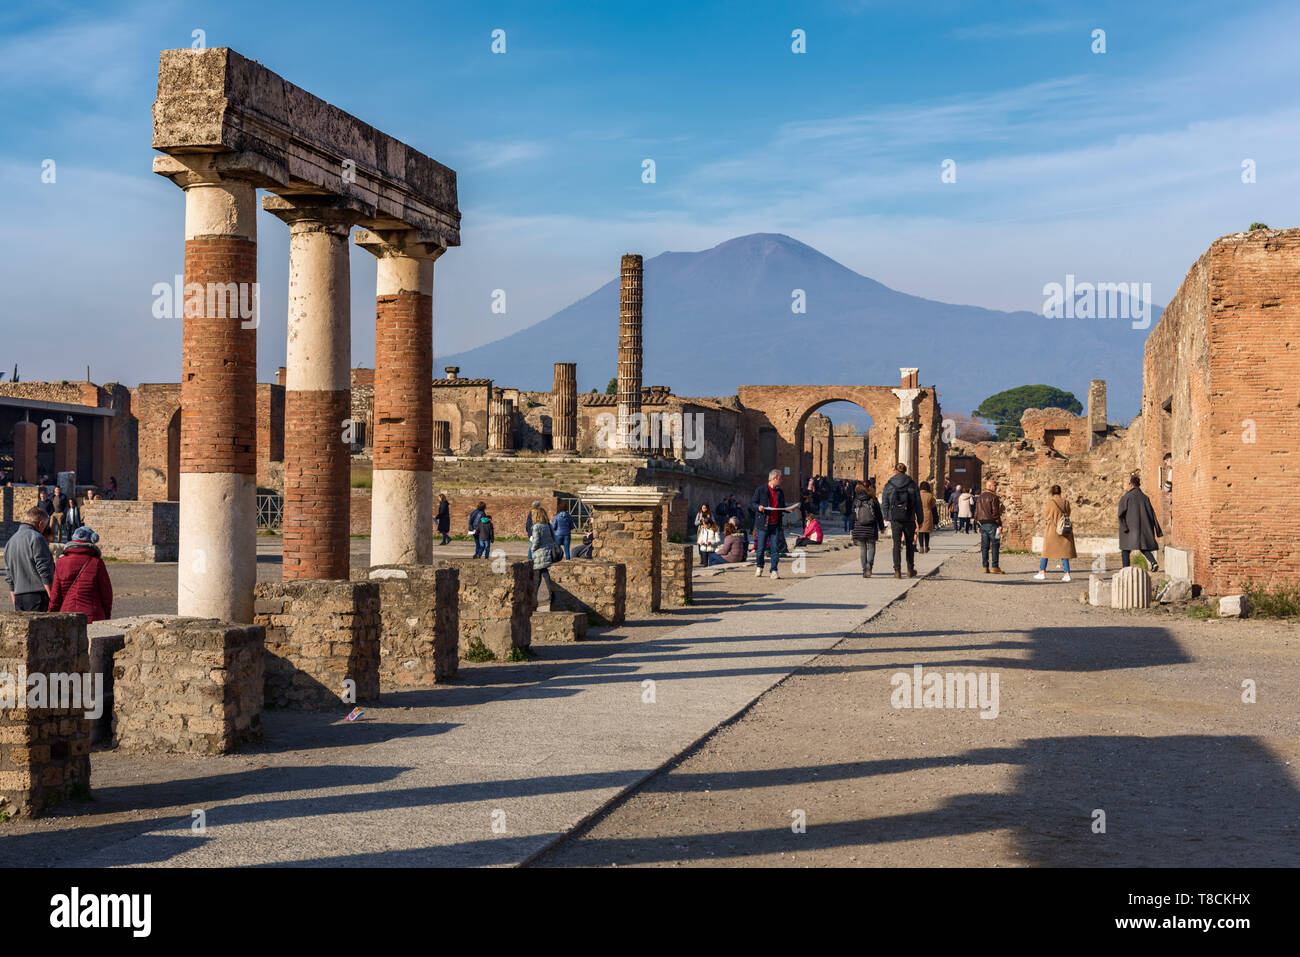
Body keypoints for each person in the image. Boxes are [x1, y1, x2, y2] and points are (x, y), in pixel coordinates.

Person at [49, 526, 113, 622]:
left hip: (66, 615)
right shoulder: (96, 562)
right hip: (93, 615)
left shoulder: (61, 562)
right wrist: (106, 615)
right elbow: (106, 594)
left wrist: (51, 614)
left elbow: (55, 595)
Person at [5, 507, 55, 611]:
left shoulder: (11, 541)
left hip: (18, 596)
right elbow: (44, 570)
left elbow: (9, 575)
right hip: (38, 596)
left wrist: (15, 601)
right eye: (44, 526)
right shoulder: (37, 538)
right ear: (40, 523)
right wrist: (53, 598)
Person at [881, 463, 923, 579]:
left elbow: (885, 502)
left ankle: (897, 570)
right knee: (909, 544)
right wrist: (920, 519)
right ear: (905, 471)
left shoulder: (889, 484)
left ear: (895, 471)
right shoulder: (912, 484)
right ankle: (910, 569)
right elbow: (918, 503)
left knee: (896, 544)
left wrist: (885, 516)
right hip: (909, 517)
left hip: (895, 518)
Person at [1118, 472, 1162, 570]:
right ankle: (1153, 562)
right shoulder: (1145, 498)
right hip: (1143, 529)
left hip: (1129, 529)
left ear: (1131, 484)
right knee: (1143, 547)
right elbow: (1152, 514)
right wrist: (1158, 531)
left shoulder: (1126, 497)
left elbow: (1120, 514)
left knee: (1125, 549)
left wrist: (1124, 527)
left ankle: (1126, 569)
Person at [751, 469, 788, 579]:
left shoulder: (780, 492)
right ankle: (759, 566)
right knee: (761, 548)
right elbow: (752, 503)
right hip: (763, 524)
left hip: (775, 524)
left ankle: (774, 570)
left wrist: (789, 509)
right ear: (774, 478)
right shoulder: (760, 490)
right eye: (780, 478)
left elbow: (782, 506)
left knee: (775, 548)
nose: (781, 481)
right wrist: (758, 507)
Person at [1036, 484, 1076, 582]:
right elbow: (1068, 513)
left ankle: (1042, 572)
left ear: (1051, 492)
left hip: (1052, 530)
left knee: (1046, 551)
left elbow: (1046, 516)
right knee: (1064, 552)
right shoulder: (1066, 502)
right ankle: (1067, 574)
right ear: (1060, 492)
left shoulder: (1050, 503)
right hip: (1063, 530)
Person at [849, 481, 885, 578]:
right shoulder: (873, 499)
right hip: (871, 527)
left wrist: (851, 527)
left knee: (862, 548)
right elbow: (879, 515)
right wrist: (881, 527)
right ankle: (870, 564)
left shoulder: (856, 500)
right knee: (871, 547)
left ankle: (864, 569)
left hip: (859, 526)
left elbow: (852, 515)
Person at [974, 479, 1005, 574]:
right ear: (990, 486)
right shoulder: (994, 497)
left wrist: (977, 524)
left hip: (982, 524)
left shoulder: (980, 497)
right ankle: (995, 567)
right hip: (992, 524)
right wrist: (999, 524)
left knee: (985, 546)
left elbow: (976, 512)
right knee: (995, 545)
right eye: (995, 485)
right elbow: (995, 512)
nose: (996, 487)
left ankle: (985, 567)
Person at [528, 505, 557, 604]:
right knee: (545, 574)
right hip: (548, 552)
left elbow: (536, 541)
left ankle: (534, 599)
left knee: (537, 577)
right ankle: (552, 594)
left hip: (539, 554)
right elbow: (554, 538)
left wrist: (532, 550)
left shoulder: (536, 527)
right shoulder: (548, 525)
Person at [917, 481, 937, 553]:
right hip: (928, 514)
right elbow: (933, 505)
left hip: (919, 514)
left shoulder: (918, 495)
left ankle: (921, 547)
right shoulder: (930, 495)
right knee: (926, 532)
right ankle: (926, 546)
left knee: (920, 531)